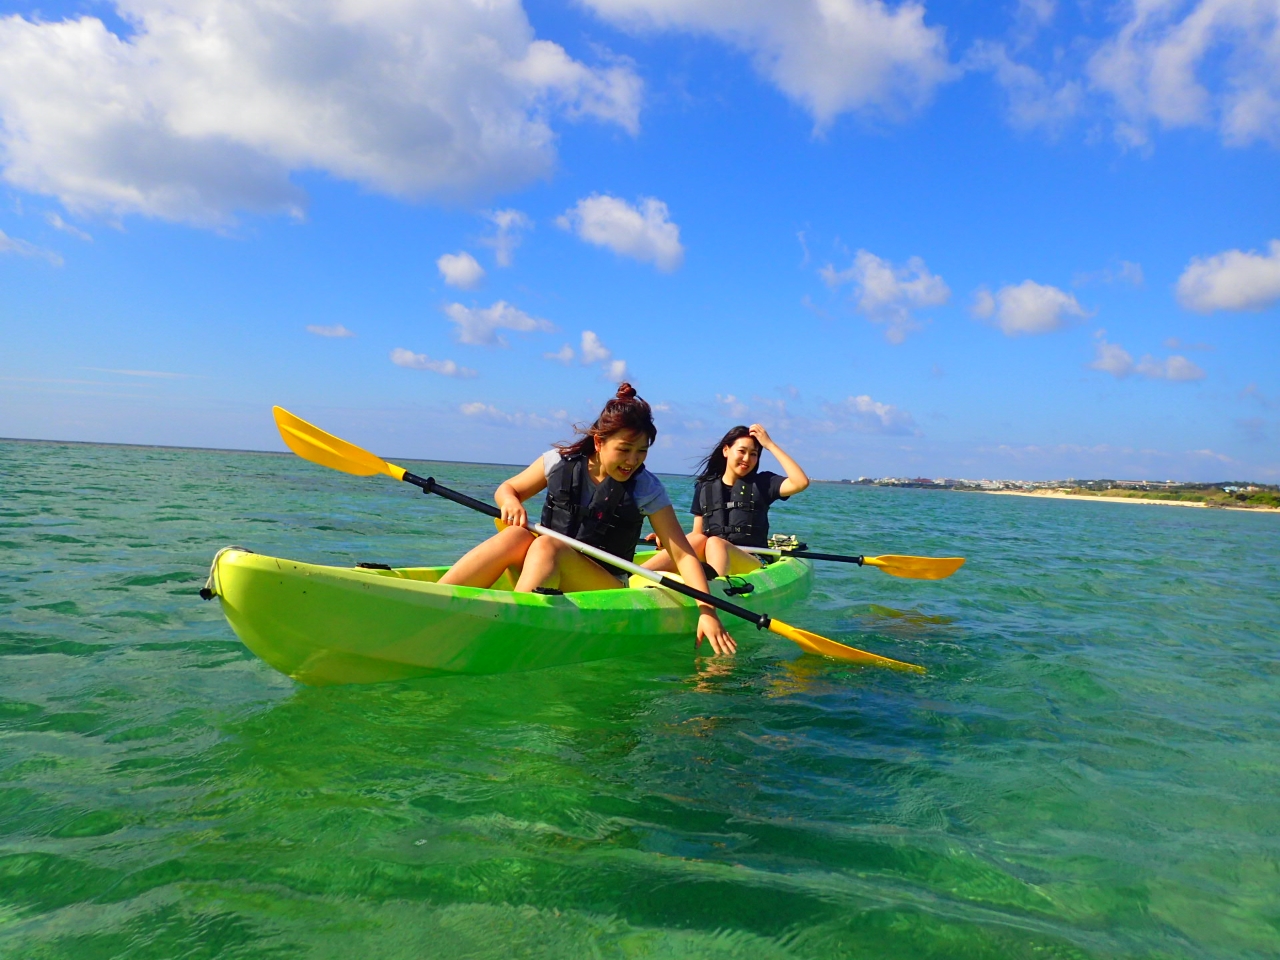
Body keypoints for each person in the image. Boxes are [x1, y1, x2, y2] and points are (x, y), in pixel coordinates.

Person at [438, 384, 736, 655]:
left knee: (546, 546)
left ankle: (509, 633)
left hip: (604, 588)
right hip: (544, 573)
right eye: (624, 449)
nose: (633, 460)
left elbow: (683, 555)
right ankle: (435, 601)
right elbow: (508, 489)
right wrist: (511, 502)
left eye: (641, 452)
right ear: (598, 442)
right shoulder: (558, 462)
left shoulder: (646, 487)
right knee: (515, 536)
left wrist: (707, 612)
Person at [643, 424, 809, 577]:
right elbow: (697, 533)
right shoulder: (705, 487)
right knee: (700, 539)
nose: (747, 458)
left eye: (753, 454)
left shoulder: (764, 483)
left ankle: (716, 589)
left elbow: (800, 482)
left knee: (716, 543)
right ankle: (637, 575)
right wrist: (668, 539)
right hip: (711, 556)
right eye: (742, 451)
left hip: (753, 560)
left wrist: (770, 445)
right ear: (726, 451)